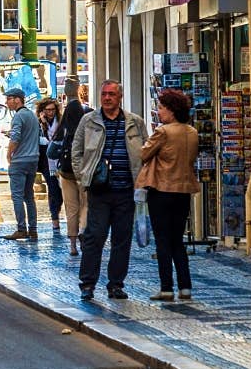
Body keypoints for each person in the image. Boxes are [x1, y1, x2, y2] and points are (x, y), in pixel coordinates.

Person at [68, 80, 149, 303]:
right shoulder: (89, 121)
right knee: (94, 237)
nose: (107, 98)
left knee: (122, 239)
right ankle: (87, 284)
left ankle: (116, 284)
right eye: (104, 94)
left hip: (126, 190)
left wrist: (141, 181)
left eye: (112, 94)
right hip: (99, 190)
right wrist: (82, 177)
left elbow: (146, 152)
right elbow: (76, 152)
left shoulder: (134, 122)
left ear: (120, 96)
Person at [138, 87, 200, 301]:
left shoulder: (163, 132)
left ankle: (166, 287)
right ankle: (186, 287)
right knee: (178, 240)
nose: (159, 112)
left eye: (162, 108)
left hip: (162, 190)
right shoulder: (192, 132)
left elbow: (144, 154)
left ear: (172, 110)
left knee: (163, 240)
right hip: (183, 191)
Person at [1, 89, 42, 241]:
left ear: (18, 100)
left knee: (17, 196)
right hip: (33, 159)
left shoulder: (18, 116)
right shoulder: (31, 115)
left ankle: (21, 229)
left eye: (9, 99)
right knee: (29, 196)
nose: (7, 102)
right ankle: (33, 229)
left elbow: (16, 137)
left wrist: (9, 153)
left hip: (20, 160)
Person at [55, 83, 89, 246]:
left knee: (71, 207)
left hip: (66, 171)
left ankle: (73, 245)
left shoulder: (64, 124)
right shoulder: (86, 122)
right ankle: (83, 231)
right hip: (82, 170)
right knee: (85, 204)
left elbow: (53, 146)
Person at [36, 99, 65, 237]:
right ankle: (55, 219)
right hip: (47, 163)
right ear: (42, 111)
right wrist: (42, 123)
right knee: (53, 190)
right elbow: (40, 140)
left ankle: (57, 213)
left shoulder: (61, 122)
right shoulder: (40, 123)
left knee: (60, 192)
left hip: (60, 160)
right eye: (47, 110)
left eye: (52, 109)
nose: (50, 112)